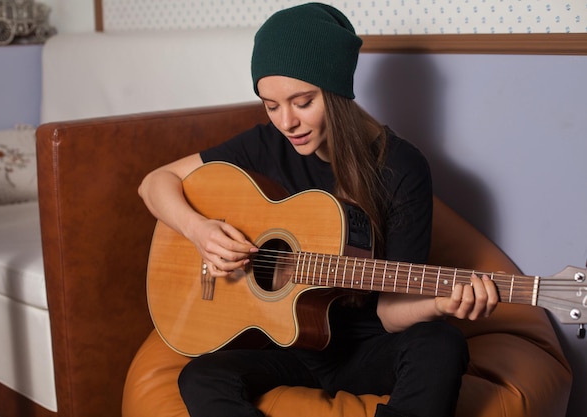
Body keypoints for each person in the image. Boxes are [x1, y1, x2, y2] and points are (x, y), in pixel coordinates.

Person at [138, 3, 499, 417]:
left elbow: (390, 310)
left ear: (337, 91)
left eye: (302, 101)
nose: (286, 122)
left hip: (366, 351)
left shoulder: (401, 168)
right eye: (271, 106)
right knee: (200, 376)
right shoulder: (264, 146)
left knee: (441, 343)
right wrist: (199, 230)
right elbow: (154, 183)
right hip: (286, 345)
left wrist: (441, 303)